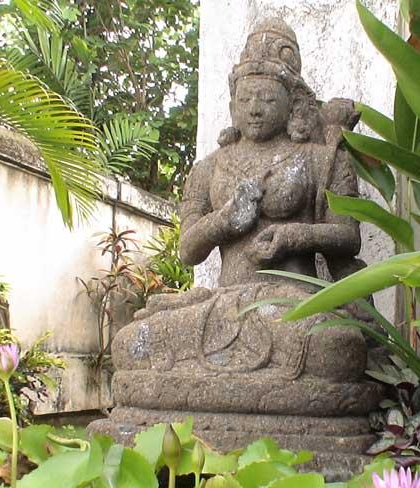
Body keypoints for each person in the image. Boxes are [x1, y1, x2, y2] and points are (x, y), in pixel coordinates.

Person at [111, 19, 368, 383]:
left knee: (337, 349)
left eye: (267, 99)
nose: (255, 109)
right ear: (232, 105)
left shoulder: (321, 159)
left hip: (295, 303)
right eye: (245, 99)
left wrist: (294, 236)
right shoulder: (209, 167)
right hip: (223, 305)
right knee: (130, 345)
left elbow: (348, 237)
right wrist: (225, 220)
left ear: (292, 104)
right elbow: (188, 251)